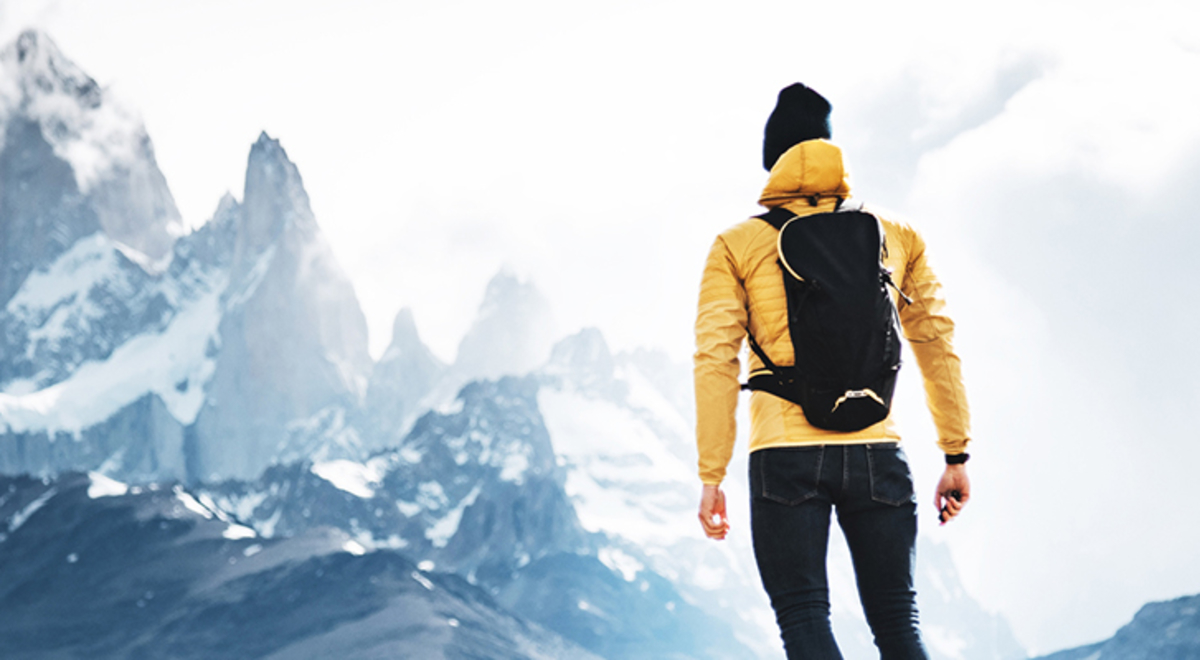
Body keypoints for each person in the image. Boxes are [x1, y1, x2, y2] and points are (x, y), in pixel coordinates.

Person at [693, 83, 972, 660]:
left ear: (773, 161)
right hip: (876, 446)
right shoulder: (896, 235)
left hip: (784, 454)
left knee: (803, 618)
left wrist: (711, 474)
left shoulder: (736, 244)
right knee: (898, 621)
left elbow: (715, 359)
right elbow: (935, 339)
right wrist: (955, 453)